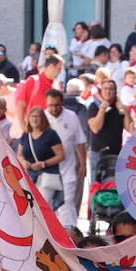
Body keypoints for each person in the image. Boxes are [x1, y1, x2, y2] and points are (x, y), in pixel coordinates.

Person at [45, 88, 88, 226]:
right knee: (46, 206)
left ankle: (71, 237)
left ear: (62, 103)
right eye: (50, 105)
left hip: (68, 170)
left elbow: (80, 142)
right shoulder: (41, 117)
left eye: (56, 105)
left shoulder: (71, 116)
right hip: (46, 172)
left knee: (68, 205)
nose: (53, 108)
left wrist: (83, 165)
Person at [19, 107, 66, 209]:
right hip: (30, 175)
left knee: (42, 206)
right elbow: (19, 154)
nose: (35, 119)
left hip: (47, 176)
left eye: (38, 116)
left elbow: (61, 155)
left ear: (43, 119)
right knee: (29, 206)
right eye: (32, 116)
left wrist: (43, 164)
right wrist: (23, 161)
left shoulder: (51, 134)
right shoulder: (26, 134)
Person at [86, 79, 130, 180]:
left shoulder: (119, 107)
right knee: (96, 185)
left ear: (115, 92)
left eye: (111, 89)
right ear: (101, 91)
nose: (108, 91)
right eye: (105, 89)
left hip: (116, 153)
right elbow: (95, 128)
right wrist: (102, 109)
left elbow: (129, 128)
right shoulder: (94, 106)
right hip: (98, 153)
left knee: (115, 185)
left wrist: (125, 111)